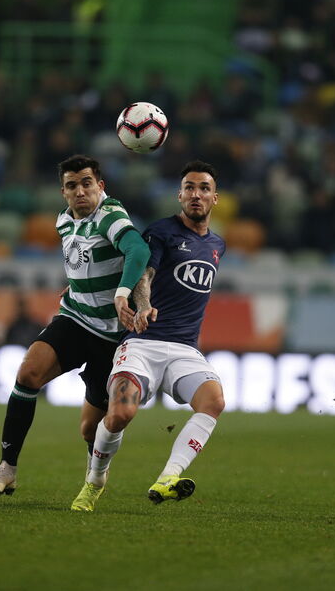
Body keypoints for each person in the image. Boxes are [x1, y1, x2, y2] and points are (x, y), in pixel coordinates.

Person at [0, 154, 150, 495]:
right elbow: (84, 261)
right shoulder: (63, 221)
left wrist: (121, 294)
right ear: (64, 192)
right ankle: (6, 468)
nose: (80, 191)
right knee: (28, 373)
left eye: (87, 183)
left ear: (100, 186)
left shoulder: (111, 216)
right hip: (74, 317)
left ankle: (96, 473)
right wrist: (77, 285)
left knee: (89, 429)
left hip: (112, 335)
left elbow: (138, 250)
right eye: (72, 186)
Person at [71, 160, 226, 512]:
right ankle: (95, 480)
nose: (195, 194)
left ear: (215, 198)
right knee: (121, 414)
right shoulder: (162, 232)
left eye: (203, 188)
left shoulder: (218, 245)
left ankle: (169, 477)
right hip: (143, 341)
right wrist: (143, 305)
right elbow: (145, 272)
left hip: (185, 347)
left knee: (213, 401)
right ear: (179, 195)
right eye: (189, 187)